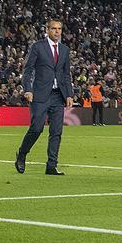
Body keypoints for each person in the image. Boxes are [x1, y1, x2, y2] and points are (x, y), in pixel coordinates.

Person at [16, 19, 75, 176]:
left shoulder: (64, 50)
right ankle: (22, 154)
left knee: (56, 131)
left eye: (59, 29)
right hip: (40, 94)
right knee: (36, 128)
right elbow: (28, 70)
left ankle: (51, 166)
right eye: (54, 28)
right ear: (47, 30)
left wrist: (69, 94)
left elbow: (66, 74)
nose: (57, 31)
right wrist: (27, 89)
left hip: (58, 96)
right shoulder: (38, 47)